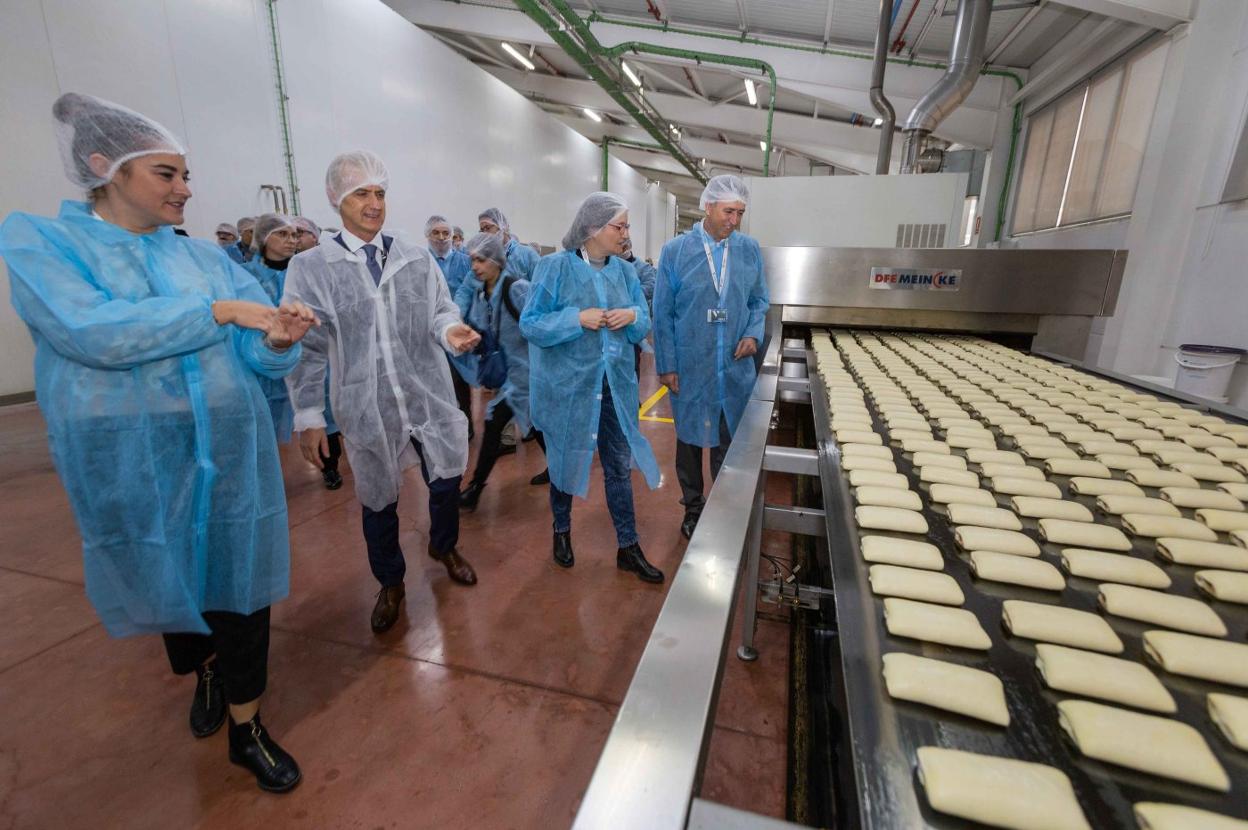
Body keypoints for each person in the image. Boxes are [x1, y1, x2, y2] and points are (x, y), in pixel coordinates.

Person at [0, 93, 317, 793]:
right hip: (129, 453)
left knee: (239, 582)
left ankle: (248, 724)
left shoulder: (205, 259)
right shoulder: (39, 241)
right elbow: (90, 331)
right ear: (103, 167)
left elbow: (257, 358)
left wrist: (276, 340)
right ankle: (203, 670)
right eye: (166, 174)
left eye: (185, 175)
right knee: (169, 568)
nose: (186, 189)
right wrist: (217, 312)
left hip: (228, 449)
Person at [284, 151, 482, 635]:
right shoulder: (312, 268)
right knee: (378, 498)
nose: (374, 204)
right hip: (366, 402)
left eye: (379, 193)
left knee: (446, 476)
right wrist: (308, 415)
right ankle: (391, 581)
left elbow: (440, 308)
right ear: (336, 200)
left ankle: (443, 544)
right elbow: (307, 346)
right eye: (360, 195)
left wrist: (450, 329)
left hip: (426, 391)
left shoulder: (414, 257)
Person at [520, 192, 663, 582]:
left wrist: (631, 315)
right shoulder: (554, 269)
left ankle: (628, 546)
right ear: (592, 229)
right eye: (621, 226)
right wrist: (575, 318)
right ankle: (561, 530)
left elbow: (643, 322)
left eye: (626, 226)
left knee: (617, 466)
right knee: (565, 461)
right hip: (571, 388)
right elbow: (531, 323)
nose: (626, 234)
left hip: (615, 387)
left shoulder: (626, 272)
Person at [653, 175, 769, 540]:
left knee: (727, 439)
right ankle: (693, 506)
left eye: (740, 213)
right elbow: (663, 313)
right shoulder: (676, 251)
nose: (734, 220)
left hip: (732, 367)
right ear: (708, 206)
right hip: (691, 364)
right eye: (728, 211)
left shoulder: (749, 250)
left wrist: (752, 333)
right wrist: (667, 365)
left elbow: (758, 301)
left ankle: (722, 507)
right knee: (688, 441)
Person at [457, 233, 547, 510]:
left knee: (494, 423)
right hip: (510, 376)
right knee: (536, 425)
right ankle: (558, 468)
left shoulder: (516, 288)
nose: (475, 266)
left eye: (481, 260)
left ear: (496, 260)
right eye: (472, 260)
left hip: (528, 375)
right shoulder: (483, 293)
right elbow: (484, 330)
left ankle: (475, 487)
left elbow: (542, 324)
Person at [244, 213, 300, 443]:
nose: (291, 240)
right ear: (264, 238)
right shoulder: (244, 275)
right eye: (283, 234)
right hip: (256, 364)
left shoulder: (301, 273)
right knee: (259, 432)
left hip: (297, 358)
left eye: (295, 235)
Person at [426, 214, 475, 431]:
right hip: (431, 333)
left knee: (460, 382)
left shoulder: (465, 262)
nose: (441, 237)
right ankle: (443, 426)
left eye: (446, 233)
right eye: (436, 233)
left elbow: (473, 293)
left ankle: (466, 426)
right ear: (427, 235)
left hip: (460, 330)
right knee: (436, 382)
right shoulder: (421, 262)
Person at [621, 236, 657, 376]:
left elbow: (651, 286)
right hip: (612, 327)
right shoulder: (609, 266)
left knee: (632, 364)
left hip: (633, 326)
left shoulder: (643, 268)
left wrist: (627, 295)